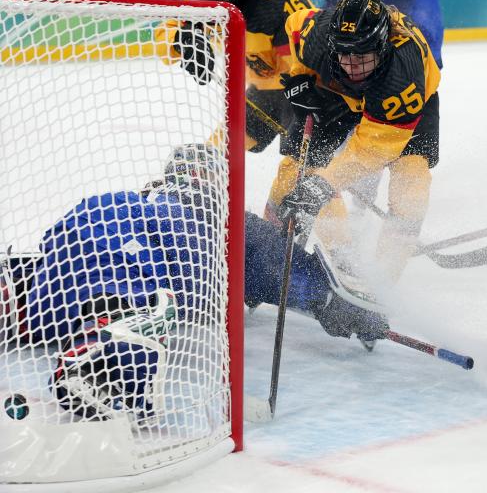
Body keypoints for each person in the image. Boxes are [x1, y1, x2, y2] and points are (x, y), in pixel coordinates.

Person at [24, 143, 386, 420]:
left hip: (83, 226)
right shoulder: (216, 219)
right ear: (212, 179)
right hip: (153, 252)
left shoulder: (141, 197)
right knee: (139, 299)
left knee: (52, 295)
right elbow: (280, 266)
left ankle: (17, 295)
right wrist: (336, 305)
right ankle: (98, 354)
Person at [278, 0, 441, 285]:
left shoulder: (401, 77)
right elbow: (293, 25)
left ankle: (381, 281)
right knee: (298, 167)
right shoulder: (319, 33)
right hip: (342, 95)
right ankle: (341, 258)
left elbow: (370, 152)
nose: (352, 64)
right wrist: (300, 77)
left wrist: (323, 185)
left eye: (362, 55)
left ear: (381, 47)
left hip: (409, 108)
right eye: (344, 54)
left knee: (411, 184)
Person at [156, 0, 316, 156]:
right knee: (210, 158)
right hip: (262, 94)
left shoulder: (279, 1)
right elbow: (164, 30)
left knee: (300, 182)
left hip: (307, 95)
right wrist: (183, 39)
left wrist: (305, 109)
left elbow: (309, 61)